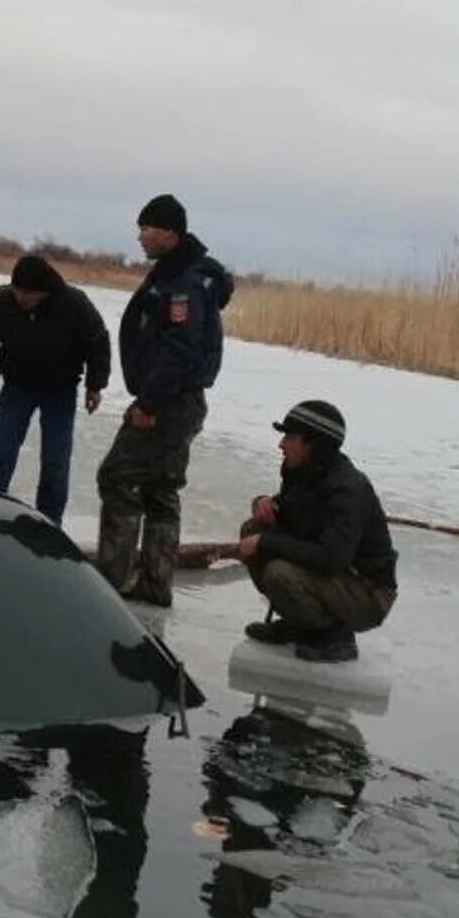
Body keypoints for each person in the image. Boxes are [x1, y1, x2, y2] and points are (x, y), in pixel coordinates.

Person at [94, 194, 234, 607]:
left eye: (148, 229)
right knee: (160, 488)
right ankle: (154, 582)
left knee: (118, 477)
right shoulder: (177, 273)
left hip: (169, 403)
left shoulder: (184, 284)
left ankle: (111, 579)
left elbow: (179, 349)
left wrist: (149, 405)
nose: (141, 236)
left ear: (171, 234)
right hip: (178, 400)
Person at [236, 401, 397, 663]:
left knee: (279, 572)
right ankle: (300, 625)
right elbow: (291, 511)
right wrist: (263, 503)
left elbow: (331, 558)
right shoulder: (302, 471)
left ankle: (334, 635)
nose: (281, 445)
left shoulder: (348, 489)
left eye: (289, 437)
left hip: (367, 592)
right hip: (336, 577)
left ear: (311, 444)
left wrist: (266, 542)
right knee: (253, 529)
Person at [0, 254, 111, 525]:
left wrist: (95, 385)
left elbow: (98, 343)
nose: (21, 298)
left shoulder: (74, 304)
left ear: (44, 292)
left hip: (59, 391)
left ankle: (50, 521)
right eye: (17, 291)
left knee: (56, 461)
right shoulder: (2, 302)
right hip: (17, 387)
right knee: (1, 452)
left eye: (28, 294)